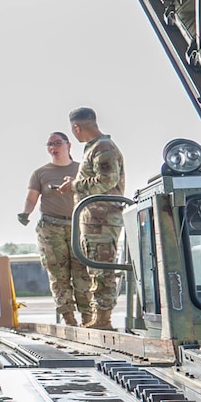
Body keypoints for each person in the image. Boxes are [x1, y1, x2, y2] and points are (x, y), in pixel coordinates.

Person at [19, 131, 83, 326]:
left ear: (68, 145)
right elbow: (32, 197)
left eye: (57, 143)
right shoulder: (41, 173)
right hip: (51, 227)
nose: (53, 148)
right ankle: (69, 318)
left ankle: (89, 317)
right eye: (49, 145)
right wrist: (25, 213)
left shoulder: (81, 170)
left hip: (78, 226)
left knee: (83, 272)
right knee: (58, 273)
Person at [69, 107, 126, 329]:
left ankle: (104, 318)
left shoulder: (103, 148)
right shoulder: (94, 148)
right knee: (96, 266)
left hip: (102, 220)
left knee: (103, 267)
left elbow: (106, 181)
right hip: (94, 220)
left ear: (77, 127)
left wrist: (73, 185)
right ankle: (99, 315)